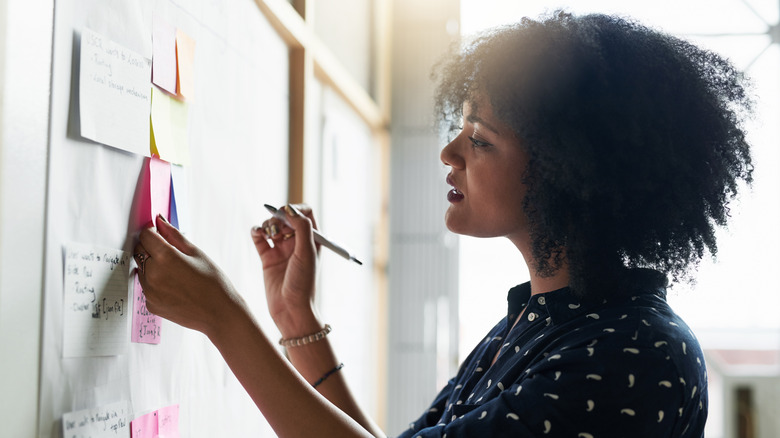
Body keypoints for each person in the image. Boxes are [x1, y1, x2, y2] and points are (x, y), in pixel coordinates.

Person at [133, 10, 753, 438]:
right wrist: (297, 322)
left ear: (568, 171)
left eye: (480, 139)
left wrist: (224, 317)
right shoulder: (541, 321)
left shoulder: (636, 355)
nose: (449, 153)